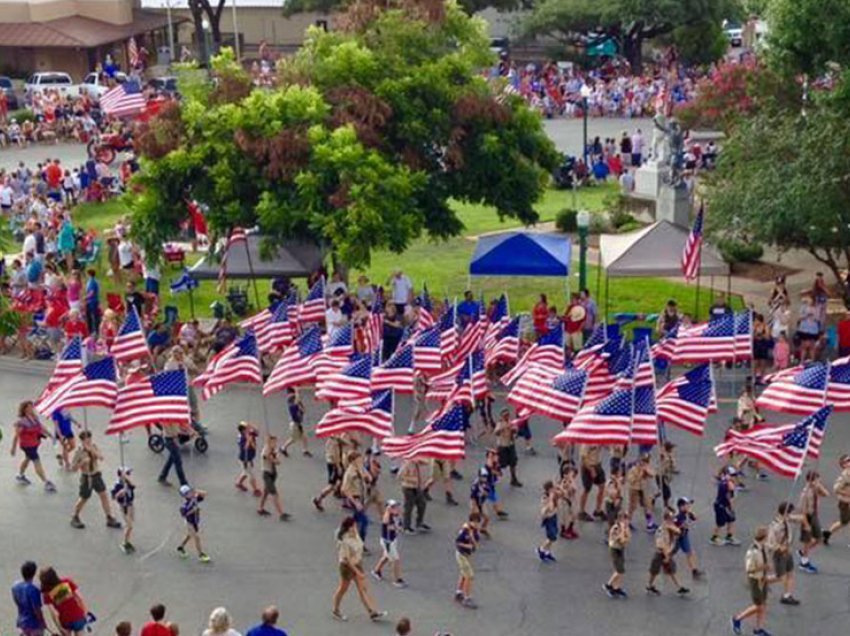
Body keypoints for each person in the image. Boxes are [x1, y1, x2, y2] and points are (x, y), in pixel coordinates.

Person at [332, 516, 386, 622]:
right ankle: (336, 610)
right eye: (354, 525)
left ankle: (372, 612)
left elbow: (359, 548)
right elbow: (346, 559)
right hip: (347, 567)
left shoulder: (355, 535)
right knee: (343, 589)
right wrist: (357, 572)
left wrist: (359, 566)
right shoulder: (345, 540)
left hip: (357, 564)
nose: (356, 527)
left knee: (363, 589)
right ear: (349, 527)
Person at [70, 430, 122, 530]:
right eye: (86, 439)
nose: (88, 441)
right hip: (86, 477)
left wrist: (91, 450)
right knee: (84, 498)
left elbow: (101, 457)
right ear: (82, 440)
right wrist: (82, 463)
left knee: (104, 495)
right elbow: (73, 468)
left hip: (96, 474)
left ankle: (109, 517)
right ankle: (75, 516)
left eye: (89, 438)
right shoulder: (79, 452)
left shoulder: (94, 447)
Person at [730, 526, 772, 636]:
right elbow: (749, 569)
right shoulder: (752, 551)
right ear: (764, 537)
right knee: (759, 606)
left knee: (763, 605)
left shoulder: (763, 547)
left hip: (763, 578)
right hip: (755, 580)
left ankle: (758, 629)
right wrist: (763, 567)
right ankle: (737, 618)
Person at [11, 401, 56, 492]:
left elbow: (41, 427)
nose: (32, 408)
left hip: (35, 444)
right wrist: (13, 448)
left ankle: (20, 475)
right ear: (25, 409)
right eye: (29, 407)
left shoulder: (34, 418)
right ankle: (46, 482)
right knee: (36, 461)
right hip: (27, 445)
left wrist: (50, 435)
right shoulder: (22, 422)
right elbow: (16, 435)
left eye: (32, 407)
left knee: (27, 459)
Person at [646, 510, 689, 596]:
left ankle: (679, 587)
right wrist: (667, 557)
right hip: (661, 553)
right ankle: (649, 585)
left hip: (666, 553)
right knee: (654, 570)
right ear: (667, 520)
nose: (673, 521)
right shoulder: (662, 530)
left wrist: (682, 528)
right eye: (671, 519)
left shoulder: (668, 527)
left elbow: (678, 531)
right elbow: (662, 545)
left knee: (671, 570)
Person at [767, 502, 803, 605]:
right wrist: (779, 548)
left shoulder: (786, 519)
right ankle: (762, 581)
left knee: (790, 573)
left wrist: (802, 515)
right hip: (779, 554)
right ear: (785, 512)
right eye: (790, 512)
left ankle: (787, 595)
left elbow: (797, 518)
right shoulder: (775, 526)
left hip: (788, 551)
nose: (791, 514)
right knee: (780, 576)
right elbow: (770, 543)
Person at [39, 567, 89, 636]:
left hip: (65, 621)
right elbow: (80, 598)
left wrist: (60, 628)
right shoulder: (67, 582)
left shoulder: (47, 594)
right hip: (78, 617)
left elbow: (54, 614)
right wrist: (85, 612)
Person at [797, 470, 828, 573]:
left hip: (814, 516)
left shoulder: (815, 489)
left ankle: (803, 552)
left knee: (819, 538)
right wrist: (806, 525)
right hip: (807, 517)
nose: (819, 482)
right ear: (810, 481)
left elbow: (826, 494)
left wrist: (819, 487)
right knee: (807, 540)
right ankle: (804, 563)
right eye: (817, 480)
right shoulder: (805, 493)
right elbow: (802, 511)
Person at [372, 499, 406, 587]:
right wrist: (388, 511)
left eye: (396, 506)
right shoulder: (387, 517)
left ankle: (376, 571)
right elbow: (388, 525)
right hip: (388, 541)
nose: (396, 508)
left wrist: (399, 527)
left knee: (386, 557)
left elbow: (400, 526)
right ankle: (397, 579)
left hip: (393, 539)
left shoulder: (397, 516)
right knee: (396, 559)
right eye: (393, 507)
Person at [258, 434, 290, 521]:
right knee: (275, 494)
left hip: (272, 474)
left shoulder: (272, 450)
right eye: (274, 442)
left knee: (265, 493)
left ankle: (260, 509)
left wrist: (274, 455)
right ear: (269, 442)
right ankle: (281, 513)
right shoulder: (266, 450)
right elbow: (267, 458)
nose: (275, 444)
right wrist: (272, 457)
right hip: (267, 474)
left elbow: (277, 461)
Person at [177, 484, 211, 563]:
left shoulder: (194, 498)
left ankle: (181, 547)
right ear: (185, 496)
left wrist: (195, 490)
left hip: (195, 520)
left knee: (189, 535)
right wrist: (193, 510)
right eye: (188, 493)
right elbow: (184, 514)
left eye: (190, 491)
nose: (190, 493)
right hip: (189, 522)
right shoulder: (185, 505)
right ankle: (201, 554)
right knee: (196, 537)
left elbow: (205, 493)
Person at [12, 560, 47, 636]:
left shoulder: (15, 586)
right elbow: (37, 610)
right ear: (34, 573)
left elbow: (17, 602)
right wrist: (43, 622)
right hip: (34, 626)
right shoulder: (34, 589)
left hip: (22, 623)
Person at [454, 512, 481, 609]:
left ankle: (459, 592)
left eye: (478, 523)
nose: (477, 525)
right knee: (469, 575)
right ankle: (467, 598)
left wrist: (472, 539)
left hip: (467, 555)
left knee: (463, 574)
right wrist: (467, 545)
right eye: (475, 522)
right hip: (461, 554)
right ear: (470, 521)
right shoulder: (465, 530)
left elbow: (476, 544)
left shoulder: (474, 531)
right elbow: (457, 542)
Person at [673, 497, 704, 579]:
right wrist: (680, 526)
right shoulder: (678, 517)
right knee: (672, 552)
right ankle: (664, 561)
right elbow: (672, 527)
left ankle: (694, 570)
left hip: (684, 536)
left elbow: (695, 518)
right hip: (678, 537)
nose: (688, 506)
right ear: (681, 507)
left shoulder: (687, 514)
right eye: (687, 505)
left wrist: (691, 513)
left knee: (689, 552)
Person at [710, 466, 741, 546]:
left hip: (724, 505)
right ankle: (714, 538)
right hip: (722, 506)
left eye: (734, 475)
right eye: (732, 475)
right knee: (720, 523)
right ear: (727, 475)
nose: (734, 477)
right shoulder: (727, 485)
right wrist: (731, 508)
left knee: (731, 520)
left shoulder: (726, 482)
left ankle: (729, 536)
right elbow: (729, 498)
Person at [823, 454, 850, 545]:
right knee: (844, 522)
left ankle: (827, 533)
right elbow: (836, 488)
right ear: (843, 465)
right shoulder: (844, 476)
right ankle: (828, 533)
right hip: (845, 502)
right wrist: (847, 493)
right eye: (848, 461)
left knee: (844, 522)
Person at [399, 458, 430, 534]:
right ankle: (406, 527)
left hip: (416, 487)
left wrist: (419, 460)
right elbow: (400, 476)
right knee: (408, 507)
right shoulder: (407, 464)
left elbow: (427, 462)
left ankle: (419, 523)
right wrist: (412, 479)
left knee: (422, 503)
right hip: (408, 488)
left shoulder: (416, 463)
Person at [605, 511, 631, 598]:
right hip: (615, 549)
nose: (628, 522)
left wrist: (625, 533)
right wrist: (623, 531)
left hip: (621, 549)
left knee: (621, 570)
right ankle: (608, 585)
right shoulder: (616, 528)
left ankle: (616, 587)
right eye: (626, 520)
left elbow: (628, 539)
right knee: (619, 570)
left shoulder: (626, 528)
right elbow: (623, 540)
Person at [111, 466, 136, 553]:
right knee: (129, 526)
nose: (129, 475)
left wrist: (127, 479)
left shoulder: (128, 483)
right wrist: (120, 493)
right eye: (127, 474)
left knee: (131, 521)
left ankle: (128, 540)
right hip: (124, 506)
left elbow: (133, 485)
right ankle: (125, 542)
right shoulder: (118, 485)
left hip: (130, 505)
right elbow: (114, 496)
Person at [494, 408, 521, 487]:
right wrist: (502, 428)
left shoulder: (511, 422)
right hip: (502, 446)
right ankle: (491, 477)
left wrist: (514, 430)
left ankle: (513, 479)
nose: (507, 417)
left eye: (508, 415)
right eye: (505, 415)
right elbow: (496, 432)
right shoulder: (500, 423)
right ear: (502, 416)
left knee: (513, 463)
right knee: (500, 464)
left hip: (510, 445)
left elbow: (516, 432)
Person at [578, 444, 605, 521]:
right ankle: (581, 512)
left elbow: (606, 446)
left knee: (602, 486)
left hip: (597, 465)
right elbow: (583, 459)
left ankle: (598, 510)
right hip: (587, 467)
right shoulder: (585, 444)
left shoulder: (599, 439)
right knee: (587, 489)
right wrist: (591, 469)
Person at [157, 422, 188, 487]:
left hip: (173, 439)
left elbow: (180, 426)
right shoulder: (166, 419)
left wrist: (190, 431)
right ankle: (184, 484)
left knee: (171, 459)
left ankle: (162, 476)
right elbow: (172, 431)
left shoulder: (174, 416)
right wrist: (181, 434)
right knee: (178, 462)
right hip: (170, 440)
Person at [281, 387, 311, 457]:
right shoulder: (292, 406)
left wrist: (302, 408)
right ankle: (283, 448)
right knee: (293, 439)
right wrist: (297, 390)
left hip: (298, 424)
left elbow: (303, 410)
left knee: (304, 437)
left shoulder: (296, 406)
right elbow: (297, 400)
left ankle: (305, 450)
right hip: (295, 424)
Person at [235, 421, 262, 496]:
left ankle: (238, 483)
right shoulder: (242, 438)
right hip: (245, 459)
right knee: (251, 474)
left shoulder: (250, 433)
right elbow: (245, 448)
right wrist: (249, 440)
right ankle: (255, 489)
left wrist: (252, 426)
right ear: (243, 430)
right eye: (247, 428)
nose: (249, 428)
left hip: (249, 457)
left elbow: (257, 432)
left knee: (245, 473)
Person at [537, 480, 560, 562]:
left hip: (554, 516)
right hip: (548, 518)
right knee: (552, 536)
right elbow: (550, 508)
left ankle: (547, 552)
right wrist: (551, 497)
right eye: (553, 487)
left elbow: (563, 493)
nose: (555, 489)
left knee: (553, 535)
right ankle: (541, 548)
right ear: (550, 489)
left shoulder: (554, 494)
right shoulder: (545, 497)